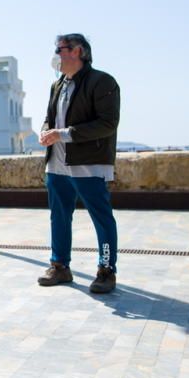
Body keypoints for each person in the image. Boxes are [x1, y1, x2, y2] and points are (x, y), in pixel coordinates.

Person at [37, 33, 121, 294]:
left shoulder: (103, 82)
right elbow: (50, 118)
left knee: (101, 218)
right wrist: (44, 132)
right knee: (59, 217)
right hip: (57, 164)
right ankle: (60, 266)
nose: (56, 54)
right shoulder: (58, 85)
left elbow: (108, 124)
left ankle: (106, 269)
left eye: (60, 49)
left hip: (89, 164)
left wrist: (62, 134)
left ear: (78, 51)